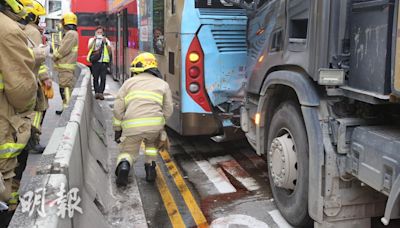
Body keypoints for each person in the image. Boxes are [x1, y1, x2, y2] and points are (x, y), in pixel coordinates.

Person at [0, 0, 37, 225]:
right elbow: (21, 89)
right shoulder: (8, 30)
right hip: (4, 114)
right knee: (6, 168)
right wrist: (24, 116)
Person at [113, 52, 173, 186]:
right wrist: (161, 122)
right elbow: (168, 109)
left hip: (132, 126)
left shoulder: (128, 83)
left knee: (128, 151)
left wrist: (118, 128)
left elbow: (118, 108)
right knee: (151, 147)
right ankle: (150, 169)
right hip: (154, 127)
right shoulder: (163, 84)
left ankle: (124, 166)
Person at [13, 0, 50, 196]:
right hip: (29, 84)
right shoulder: (32, 31)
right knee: (37, 111)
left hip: (25, 82)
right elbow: (37, 58)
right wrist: (45, 78)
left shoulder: (20, 28)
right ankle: (32, 137)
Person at [53, 12, 78, 115]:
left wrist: (55, 56)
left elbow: (63, 49)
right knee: (64, 88)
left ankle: (67, 110)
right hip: (65, 68)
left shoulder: (71, 34)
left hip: (66, 68)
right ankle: (65, 107)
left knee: (65, 89)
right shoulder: (71, 34)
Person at [87, 26, 112, 100]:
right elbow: (89, 47)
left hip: (104, 62)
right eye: (98, 32)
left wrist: (106, 43)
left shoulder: (106, 40)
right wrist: (94, 40)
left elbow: (110, 51)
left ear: (103, 33)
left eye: (101, 32)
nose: (99, 34)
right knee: (95, 78)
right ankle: (96, 92)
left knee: (103, 78)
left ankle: (101, 93)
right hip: (95, 61)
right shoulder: (92, 39)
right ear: (95, 33)